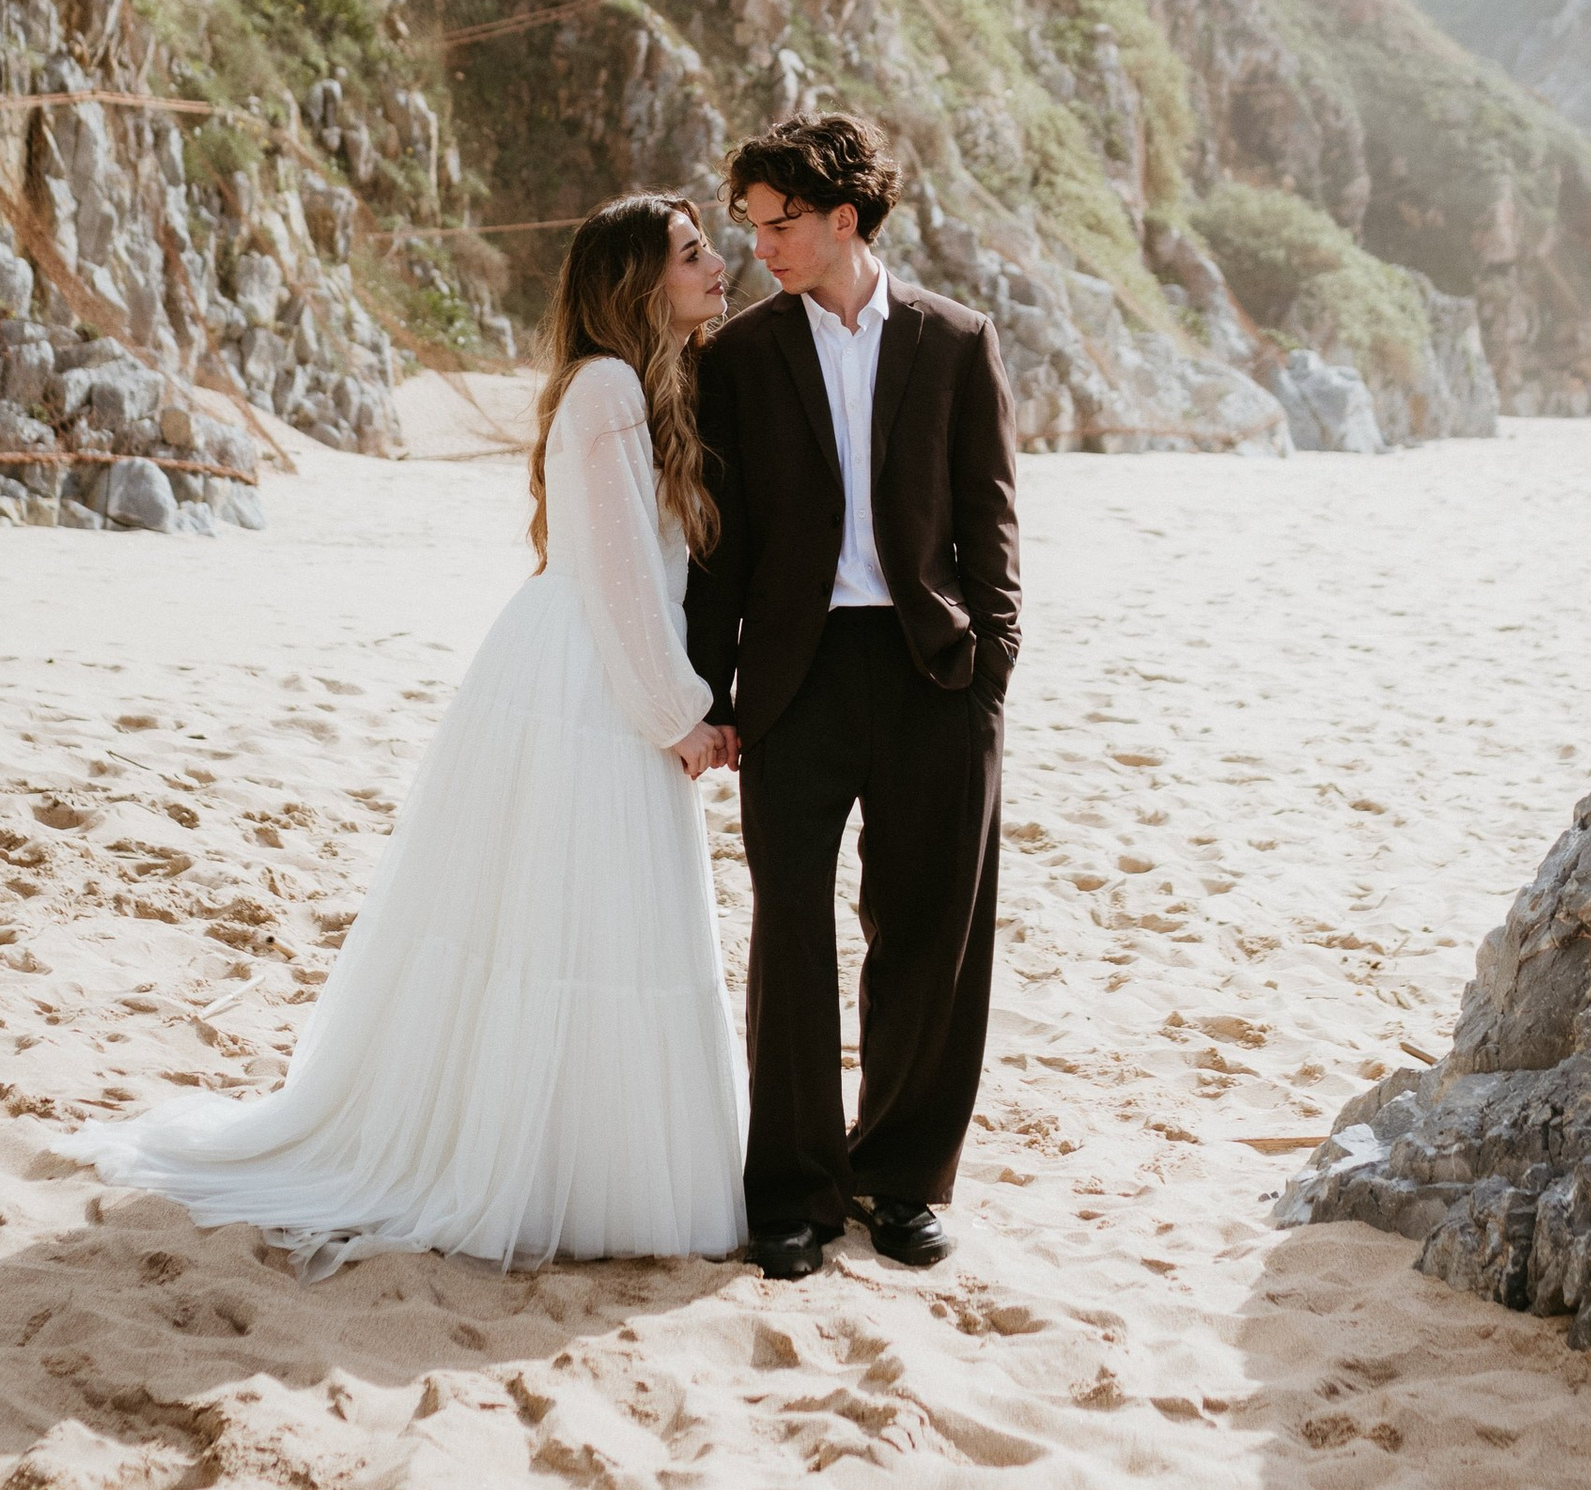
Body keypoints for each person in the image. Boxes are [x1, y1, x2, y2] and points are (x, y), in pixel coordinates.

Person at [80, 195, 746, 1267]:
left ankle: (566, 1158)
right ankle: (556, 1170)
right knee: (580, 921)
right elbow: (624, 580)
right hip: (594, 680)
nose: (718, 261)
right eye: (691, 250)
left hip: (583, 666)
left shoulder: (640, 385)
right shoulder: (612, 386)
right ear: (635, 282)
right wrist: (680, 716)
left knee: (575, 924)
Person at [686, 112, 1020, 1280]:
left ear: (844, 217)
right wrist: (710, 688)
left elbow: (991, 525)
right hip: (793, 679)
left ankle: (900, 1182)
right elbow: (717, 546)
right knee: (790, 935)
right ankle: (791, 1192)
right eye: (750, 225)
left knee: (929, 937)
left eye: (779, 223)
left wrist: (990, 680)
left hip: (935, 673)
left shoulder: (955, 339)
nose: (760, 246)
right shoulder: (734, 356)